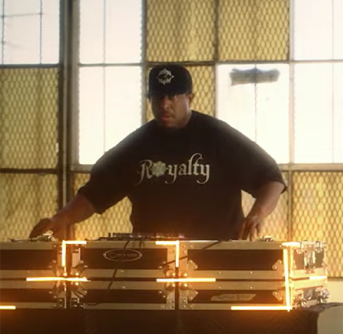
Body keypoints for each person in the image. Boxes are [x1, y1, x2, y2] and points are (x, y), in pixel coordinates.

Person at [30, 64, 286, 241]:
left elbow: (271, 179)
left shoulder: (217, 136)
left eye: (173, 97)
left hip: (215, 254)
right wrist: (61, 218)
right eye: (157, 97)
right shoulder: (137, 146)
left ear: (190, 98)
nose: (165, 104)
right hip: (151, 260)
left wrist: (257, 214)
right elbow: (95, 193)